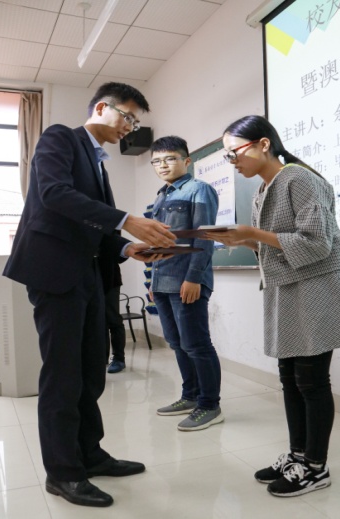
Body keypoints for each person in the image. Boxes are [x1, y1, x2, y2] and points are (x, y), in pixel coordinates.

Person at [3, 82, 176, 508]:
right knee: (63, 376)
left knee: (91, 372)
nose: (130, 128)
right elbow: (54, 195)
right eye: (127, 117)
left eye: (136, 122)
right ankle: (63, 473)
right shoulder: (60, 137)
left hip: (90, 275)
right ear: (101, 108)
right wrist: (127, 220)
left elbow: (92, 226)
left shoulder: (98, 163)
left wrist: (126, 247)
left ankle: (90, 454)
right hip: (56, 273)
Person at [204, 115, 340, 497]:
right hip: (287, 291)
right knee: (290, 378)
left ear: (263, 144)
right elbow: (274, 243)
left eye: (234, 152)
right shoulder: (264, 189)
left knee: (312, 381)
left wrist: (252, 233)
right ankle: (298, 455)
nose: (232, 161)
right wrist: (244, 241)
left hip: (317, 289)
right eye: (227, 156)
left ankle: (316, 468)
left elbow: (317, 243)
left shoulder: (299, 179)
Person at [149, 135, 224, 431]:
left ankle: (210, 405)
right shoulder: (161, 195)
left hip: (187, 281)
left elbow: (204, 237)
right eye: (156, 161)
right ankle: (190, 395)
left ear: (187, 161)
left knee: (196, 344)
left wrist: (193, 278)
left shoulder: (199, 189)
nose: (163, 165)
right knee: (177, 343)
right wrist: (153, 281)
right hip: (163, 281)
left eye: (170, 159)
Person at [104, 262, 127, 373]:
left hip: (110, 278)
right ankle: (101, 358)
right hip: (90, 278)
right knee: (97, 322)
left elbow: (120, 255)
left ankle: (119, 359)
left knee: (113, 319)